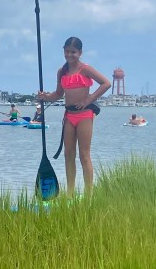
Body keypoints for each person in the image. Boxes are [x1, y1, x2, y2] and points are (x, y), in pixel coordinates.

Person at [37, 37, 111, 194]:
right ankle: (70, 193)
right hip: (69, 116)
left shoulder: (85, 69)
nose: (70, 55)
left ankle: (88, 195)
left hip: (85, 115)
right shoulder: (61, 72)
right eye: (67, 51)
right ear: (63, 51)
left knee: (84, 155)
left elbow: (106, 83)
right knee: (68, 154)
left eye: (73, 52)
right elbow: (58, 94)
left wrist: (89, 99)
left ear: (80, 53)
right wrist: (45, 96)